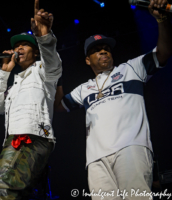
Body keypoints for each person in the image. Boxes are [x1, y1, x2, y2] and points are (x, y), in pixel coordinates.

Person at [55, 1, 172, 199]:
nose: (103, 51)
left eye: (106, 48)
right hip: (96, 160)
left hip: (131, 148)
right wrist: (56, 75)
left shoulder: (130, 69)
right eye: (96, 49)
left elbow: (164, 53)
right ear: (87, 60)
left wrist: (161, 20)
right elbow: (59, 106)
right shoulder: (84, 89)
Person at [0, 0, 62, 199]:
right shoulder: (15, 82)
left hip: (32, 136)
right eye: (16, 46)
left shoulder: (42, 71)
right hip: (13, 138)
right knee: (13, 192)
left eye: (24, 46)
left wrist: (43, 35)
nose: (18, 49)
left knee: (2, 189)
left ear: (35, 52)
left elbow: (52, 61)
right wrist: (4, 73)